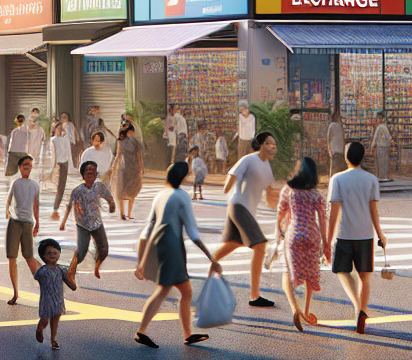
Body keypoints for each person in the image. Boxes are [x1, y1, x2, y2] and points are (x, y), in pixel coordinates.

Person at [133, 162, 215, 348]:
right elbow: (193, 232)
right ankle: (141, 331)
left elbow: (148, 228)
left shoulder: (160, 195)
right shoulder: (181, 196)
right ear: (183, 177)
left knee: (185, 290)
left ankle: (187, 334)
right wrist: (212, 258)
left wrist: (142, 261)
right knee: (164, 289)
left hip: (161, 244)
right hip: (173, 246)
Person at [327, 140, 387, 335]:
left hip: (344, 234)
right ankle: (362, 310)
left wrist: (327, 240)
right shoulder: (371, 179)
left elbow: (334, 211)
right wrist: (380, 234)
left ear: (346, 158)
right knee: (364, 276)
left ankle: (357, 306)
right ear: (363, 157)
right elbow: (373, 210)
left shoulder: (337, 179)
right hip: (365, 235)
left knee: (341, 271)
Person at [212, 130, 278, 308]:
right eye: (270, 143)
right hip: (238, 206)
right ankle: (255, 296)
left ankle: (210, 267)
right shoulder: (249, 159)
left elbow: (270, 195)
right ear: (262, 145)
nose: (273, 146)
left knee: (234, 243)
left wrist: (280, 203)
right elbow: (232, 175)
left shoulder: (267, 167)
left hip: (245, 209)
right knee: (260, 245)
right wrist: (227, 188)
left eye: (274, 144)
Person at [276, 156, 329, 332]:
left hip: (293, 235)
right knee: (310, 275)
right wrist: (326, 244)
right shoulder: (316, 194)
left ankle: (295, 309)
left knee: (288, 274)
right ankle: (306, 311)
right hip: (312, 236)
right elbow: (322, 219)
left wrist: (279, 231)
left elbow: (281, 212)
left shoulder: (289, 190)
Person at [61, 160, 115, 279]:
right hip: (82, 224)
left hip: (96, 223)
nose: (90, 172)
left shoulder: (100, 186)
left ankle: (97, 265)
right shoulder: (77, 190)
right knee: (81, 251)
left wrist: (112, 205)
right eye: (87, 170)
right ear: (83, 174)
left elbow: (109, 197)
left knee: (104, 249)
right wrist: (63, 222)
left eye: (93, 170)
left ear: (96, 174)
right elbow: (69, 206)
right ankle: (70, 272)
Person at [5, 154, 40, 305]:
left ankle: (44, 283)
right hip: (15, 222)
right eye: (25, 165)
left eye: (30, 165)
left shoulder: (34, 185)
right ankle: (15, 293)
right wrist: (7, 211)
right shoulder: (15, 183)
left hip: (27, 223)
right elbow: (8, 199)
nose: (28, 167)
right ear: (19, 167)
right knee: (12, 257)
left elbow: (36, 204)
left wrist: (37, 222)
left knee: (29, 256)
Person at [32, 238, 76, 349]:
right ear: (43, 256)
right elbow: (37, 277)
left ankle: (53, 339)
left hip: (58, 299)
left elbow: (71, 283)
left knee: (56, 319)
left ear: (59, 254)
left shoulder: (61, 269)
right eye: (49, 253)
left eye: (55, 253)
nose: (52, 255)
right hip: (46, 299)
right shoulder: (42, 271)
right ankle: (40, 328)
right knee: (45, 319)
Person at [108, 123, 144, 218]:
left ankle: (129, 213)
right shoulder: (121, 141)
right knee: (121, 189)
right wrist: (113, 166)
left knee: (133, 190)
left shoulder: (136, 143)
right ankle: (122, 213)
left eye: (133, 132)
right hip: (123, 167)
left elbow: (139, 156)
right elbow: (118, 154)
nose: (131, 134)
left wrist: (141, 167)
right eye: (130, 132)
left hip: (134, 167)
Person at [49, 121, 72, 220]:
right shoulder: (53, 140)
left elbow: (68, 152)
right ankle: (56, 206)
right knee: (57, 185)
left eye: (60, 127)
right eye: (57, 127)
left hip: (64, 163)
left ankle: (56, 206)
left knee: (62, 186)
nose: (59, 129)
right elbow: (52, 153)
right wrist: (52, 167)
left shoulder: (65, 139)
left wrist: (70, 165)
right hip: (57, 164)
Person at [370, 112, 392, 181]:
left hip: (380, 147)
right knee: (385, 162)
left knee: (380, 163)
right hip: (385, 147)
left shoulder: (379, 128)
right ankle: (384, 176)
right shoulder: (385, 127)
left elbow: (375, 138)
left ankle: (381, 177)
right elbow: (389, 138)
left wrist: (372, 146)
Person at [327, 111, 345, 178]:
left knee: (335, 167)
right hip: (337, 149)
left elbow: (329, 138)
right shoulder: (334, 126)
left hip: (336, 149)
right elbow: (330, 138)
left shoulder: (336, 125)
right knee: (336, 167)